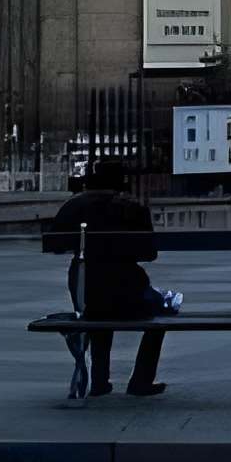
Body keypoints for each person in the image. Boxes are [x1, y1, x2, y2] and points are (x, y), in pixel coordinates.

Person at [47, 160, 174, 396]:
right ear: (121, 182)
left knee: (98, 315)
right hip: (127, 290)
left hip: (86, 290)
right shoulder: (132, 208)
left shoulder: (73, 206)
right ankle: (141, 380)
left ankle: (99, 381)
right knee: (160, 314)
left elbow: (55, 244)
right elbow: (149, 253)